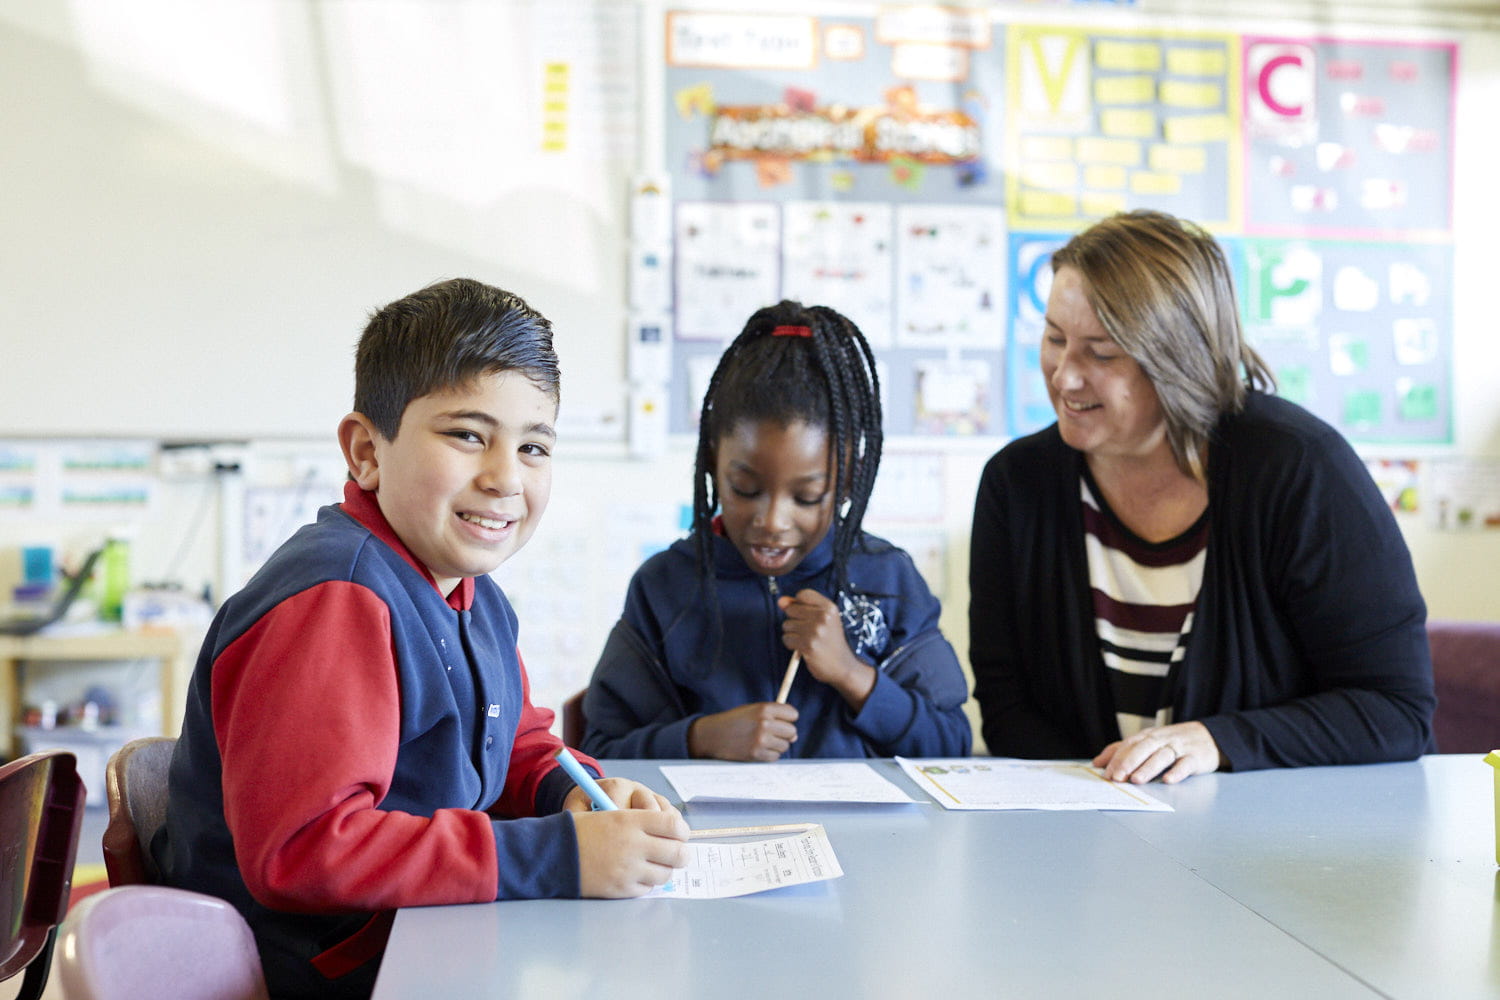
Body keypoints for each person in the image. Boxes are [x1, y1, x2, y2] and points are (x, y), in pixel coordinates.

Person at [159, 279, 688, 999]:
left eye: (534, 447)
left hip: (424, 943)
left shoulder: (474, 597)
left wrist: (574, 794)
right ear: (365, 452)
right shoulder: (336, 599)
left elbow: (519, 745)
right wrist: (560, 855)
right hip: (314, 976)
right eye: (468, 435)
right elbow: (304, 851)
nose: (506, 477)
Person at [969, 210, 1434, 784]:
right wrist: (1102, 797)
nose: (1064, 376)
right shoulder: (1016, 485)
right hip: (1082, 838)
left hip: (1272, 846)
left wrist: (1219, 741)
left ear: (1177, 358)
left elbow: (1395, 711)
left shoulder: (1300, 469)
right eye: (1054, 338)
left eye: (1102, 353)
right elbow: (1005, 703)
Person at [581, 300, 971, 761]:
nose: (771, 522)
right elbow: (600, 753)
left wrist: (852, 674)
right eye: (744, 489)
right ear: (711, 463)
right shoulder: (663, 586)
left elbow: (952, 744)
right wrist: (699, 738)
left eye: (806, 497)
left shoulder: (887, 579)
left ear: (847, 481)